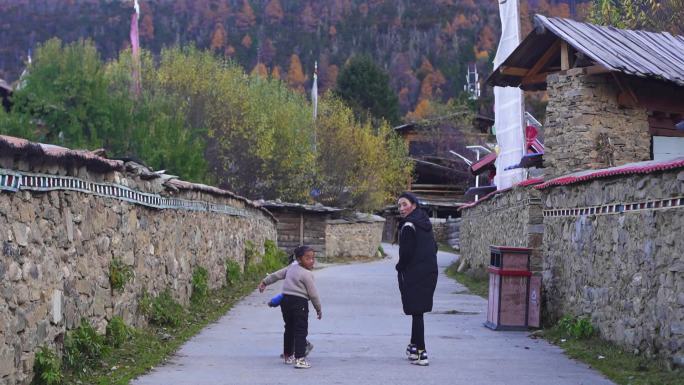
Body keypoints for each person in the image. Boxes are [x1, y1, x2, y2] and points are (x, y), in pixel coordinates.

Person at [259, 245, 322, 369]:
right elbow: (313, 294)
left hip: (285, 301)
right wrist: (318, 309)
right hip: (300, 303)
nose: (311, 261)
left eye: (313, 258)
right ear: (299, 259)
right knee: (300, 330)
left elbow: (276, 275)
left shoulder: (291, 268)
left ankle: (288, 356)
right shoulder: (307, 274)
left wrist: (264, 282)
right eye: (307, 258)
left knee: (289, 329)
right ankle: (300, 359)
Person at [395, 191, 438, 366]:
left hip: (415, 273)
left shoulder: (409, 226)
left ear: (413, 204)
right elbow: (434, 247)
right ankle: (413, 348)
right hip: (429, 272)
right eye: (399, 206)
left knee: (417, 312)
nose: (401, 208)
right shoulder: (424, 222)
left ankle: (422, 353)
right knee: (417, 312)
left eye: (404, 204)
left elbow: (406, 253)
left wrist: (400, 267)